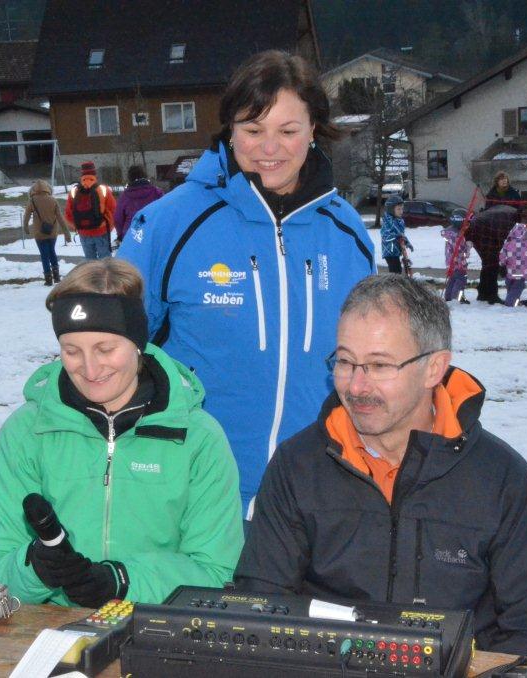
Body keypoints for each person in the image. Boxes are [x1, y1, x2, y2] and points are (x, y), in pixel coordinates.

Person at [235, 274, 527, 655]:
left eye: (379, 365)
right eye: (345, 362)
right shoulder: (298, 467)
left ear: (434, 368)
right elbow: (260, 609)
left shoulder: (501, 480)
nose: (356, 386)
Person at [119, 49, 375, 518]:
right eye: (253, 130)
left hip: (313, 494)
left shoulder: (346, 232)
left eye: (288, 131)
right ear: (230, 130)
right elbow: (114, 349)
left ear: (313, 129)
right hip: (194, 494)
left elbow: (371, 363)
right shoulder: (170, 223)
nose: (269, 148)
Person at [0, 259, 244, 606]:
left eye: (105, 349)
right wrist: (36, 568)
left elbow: (214, 571)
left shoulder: (197, 438)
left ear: (137, 343)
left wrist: (121, 581)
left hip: (154, 626)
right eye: (72, 351)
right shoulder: (27, 432)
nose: (89, 368)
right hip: (47, 626)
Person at [23, 179, 72, 286]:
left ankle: (48, 278)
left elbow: (26, 216)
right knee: (52, 251)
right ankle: (57, 276)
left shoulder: (32, 201)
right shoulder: (53, 200)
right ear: (47, 188)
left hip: (39, 233)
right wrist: (67, 233)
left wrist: (25, 227)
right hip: (52, 232)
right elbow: (60, 218)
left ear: (34, 189)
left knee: (44, 255)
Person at [65, 161, 116, 260]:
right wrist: (107, 227)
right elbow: (113, 211)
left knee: (90, 263)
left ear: (82, 175)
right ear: (95, 174)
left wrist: (79, 227)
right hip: (101, 231)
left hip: (84, 233)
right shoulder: (103, 189)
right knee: (105, 262)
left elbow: (68, 214)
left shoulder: (74, 191)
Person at [469, 204, 517, 304]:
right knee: (492, 265)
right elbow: (501, 239)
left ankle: (483, 293)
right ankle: (492, 296)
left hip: (479, 230)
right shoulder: (507, 219)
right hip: (481, 232)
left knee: (487, 263)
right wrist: (501, 260)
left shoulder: (512, 213)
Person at [112, 165, 163, 245]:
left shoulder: (125, 196)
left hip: (131, 236)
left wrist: (120, 235)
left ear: (130, 178)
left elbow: (118, 218)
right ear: (144, 176)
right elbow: (165, 212)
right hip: (153, 234)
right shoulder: (156, 192)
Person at [499, 208, 527, 307]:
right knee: (517, 288)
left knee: (511, 287)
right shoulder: (525, 243)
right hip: (520, 271)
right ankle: (510, 303)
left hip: (509, 270)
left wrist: (502, 263)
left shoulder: (508, 242)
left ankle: (514, 301)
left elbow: (502, 253)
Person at [441, 219, 472, 304]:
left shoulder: (450, 234)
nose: (467, 227)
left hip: (451, 262)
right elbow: (460, 250)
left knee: (452, 279)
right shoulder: (457, 236)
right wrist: (468, 247)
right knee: (461, 280)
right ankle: (456, 298)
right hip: (458, 262)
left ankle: (448, 297)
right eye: (466, 225)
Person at [380, 195, 412, 274]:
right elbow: (386, 237)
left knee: (398, 271)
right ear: (391, 210)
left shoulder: (399, 221)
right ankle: (392, 282)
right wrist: (396, 236)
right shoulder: (387, 222)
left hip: (396, 251)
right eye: (398, 209)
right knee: (395, 272)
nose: (401, 211)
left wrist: (407, 242)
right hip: (389, 251)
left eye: (402, 209)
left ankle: (396, 281)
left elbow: (402, 235)